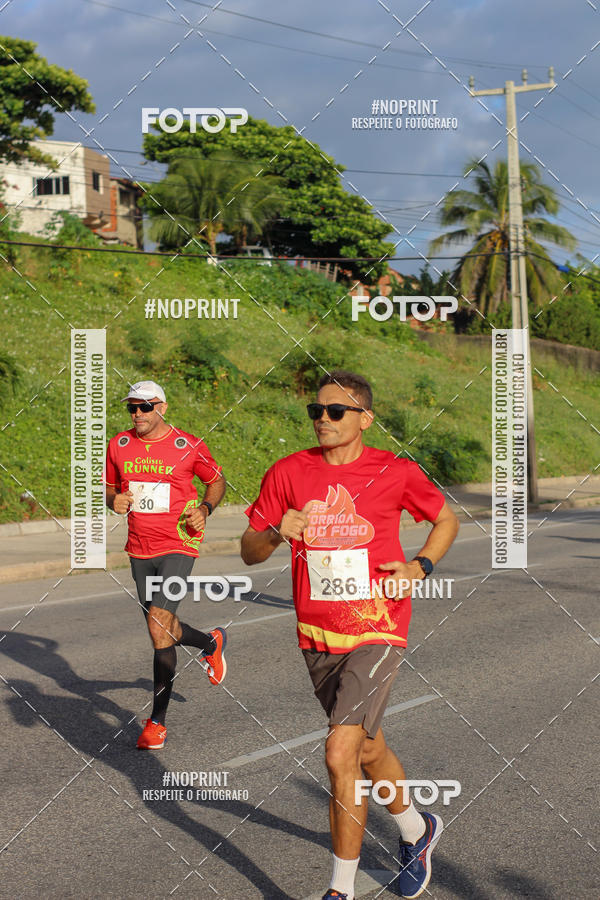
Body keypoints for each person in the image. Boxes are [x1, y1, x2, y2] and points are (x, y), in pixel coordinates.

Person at [241, 370, 459, 899]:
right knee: (365, 747)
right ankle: (415, 828)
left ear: (365, 417)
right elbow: (248, 551)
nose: (322, 420)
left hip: (379, 625)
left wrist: (421, 566)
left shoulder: (395, 470)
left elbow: (446, 519)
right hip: (317, 633)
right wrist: (275, 531)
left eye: (335, 412)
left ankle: (340, 890)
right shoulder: (288, 472)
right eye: (315, 411)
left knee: (339, 751)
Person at [104, 380, 228, 750]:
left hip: (179, 543)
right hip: (139, 547)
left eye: (145, 406)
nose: (137, 414)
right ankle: (210, 642)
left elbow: (216, 481)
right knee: (161, 628)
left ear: (163, 407)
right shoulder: (119, 445)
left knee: (159, 627)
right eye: (132, 407)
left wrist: (204, 510)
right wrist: (115, 501)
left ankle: (156, 722)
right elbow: (110, 487)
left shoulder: (187, 444)